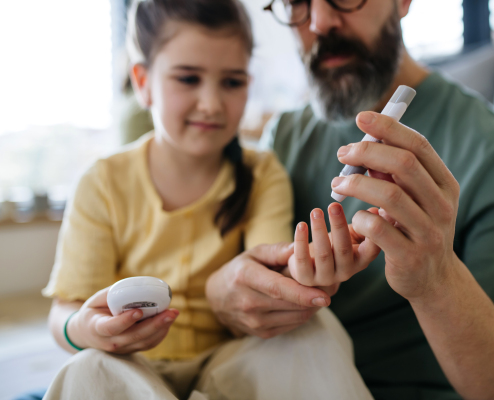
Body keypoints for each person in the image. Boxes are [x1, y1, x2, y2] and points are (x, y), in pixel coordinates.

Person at [206, 0, 494, 399]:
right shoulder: (285, 137)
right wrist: (223, 296)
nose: (321, 21)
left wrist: (435, 279)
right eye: (296, 3)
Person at [41, 1, 376, 399]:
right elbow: (66, 311)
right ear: (144, 82)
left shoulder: (262, 173)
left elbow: (265, 279)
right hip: (132, 371)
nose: (212, 104)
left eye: (232, 82)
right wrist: (84, 329)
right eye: (188, 79)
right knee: (87, 368)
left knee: (314, 333)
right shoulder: (101, 183)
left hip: (232, 369)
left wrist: (303, 275)